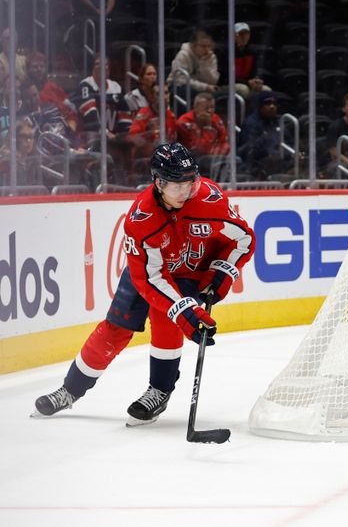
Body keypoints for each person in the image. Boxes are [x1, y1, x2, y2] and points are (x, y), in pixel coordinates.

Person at [32, 142, 255, 426]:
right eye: (177, 185)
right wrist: (186, 311)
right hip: (150, 273)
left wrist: (220, 275)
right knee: (116, 327)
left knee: (165, 320)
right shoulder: (141, 219)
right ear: (158, 182)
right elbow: (151, 278)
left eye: (191, 182)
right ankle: (70, 390)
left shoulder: (210, 199)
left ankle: (159, 390)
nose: (186, 191)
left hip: (192, 272)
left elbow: (243, 240)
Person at [238, 89, 292, 179]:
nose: (272, 106)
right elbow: (248, 150)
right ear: (260, 106)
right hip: (257, 165)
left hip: (280, 161)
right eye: (267, 103)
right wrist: (267, 140)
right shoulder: (251, 123)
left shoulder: (279, 122)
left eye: (274, 104)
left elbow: (289, 143)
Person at [167, 30, 220, 108]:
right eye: (203, 46)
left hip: (201, 87)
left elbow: (212, 81)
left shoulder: (211, 57)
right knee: (186, 91)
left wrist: (204, 63)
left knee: (216, 94)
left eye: (209, 46)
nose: (207, 49)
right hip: (177, 86)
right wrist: (205, 87)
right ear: (193, 45)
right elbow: (181, 80)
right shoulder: (183, 55)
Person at [176, 92, 230, 168]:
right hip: (190, 160)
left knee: (235, 160)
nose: (210, 111)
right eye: (206, 108)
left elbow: (225, 144)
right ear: (196, 107)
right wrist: (207, 127)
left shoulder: (215, 118)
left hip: (213, 156)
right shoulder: (184, 123)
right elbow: (201, 150)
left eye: (212, 107)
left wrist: (218, 152)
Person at [218, 22, 265, 101]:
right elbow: (225, 76)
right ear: (233, 35)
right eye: (240, 34)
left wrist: (256, 80)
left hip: (246, 83)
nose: (244, 37)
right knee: (243, 89)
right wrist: (247, 82)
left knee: (266, 90)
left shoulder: (252, 52)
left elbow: (254, 71)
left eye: (246, 33)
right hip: (227, 84)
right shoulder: (225, 51)